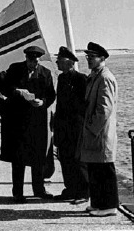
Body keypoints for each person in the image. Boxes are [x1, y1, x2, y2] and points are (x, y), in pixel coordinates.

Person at [0, 45, 56, 202]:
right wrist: (17, 91)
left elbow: (51, 95)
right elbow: (4, 88)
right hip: (18, 121)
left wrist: (42, 102)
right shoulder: (15, 69)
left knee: (38, 157)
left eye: (36, 61)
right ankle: (18, 192)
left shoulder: (45, 73)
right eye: (31, 61)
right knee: (18, 159)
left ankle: (39, 189)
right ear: (26, 58)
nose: (33, 64)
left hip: (37, 121)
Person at [80, 41, 119, 217]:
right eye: (87, 57)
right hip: (93, 132)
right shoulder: (95, 76)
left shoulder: (105, 78)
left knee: (104, 169)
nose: (88, 60)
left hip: (100, 133)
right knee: (95, 169)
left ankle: (109, 206)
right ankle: (97, 203)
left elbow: (104, 109)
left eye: (92, 57)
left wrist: (91, 127)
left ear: (102, 58)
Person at [53, 46, 89, 203]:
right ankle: (70, 188)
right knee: (65, 158)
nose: (56, 63)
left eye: (59, 61)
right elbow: (60, 104)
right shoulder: (61, 79)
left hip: (76, 126)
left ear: (69, 63)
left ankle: (83, 192)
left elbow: (84, 105)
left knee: (79, 159)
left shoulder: (81, 79)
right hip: (63, 126)